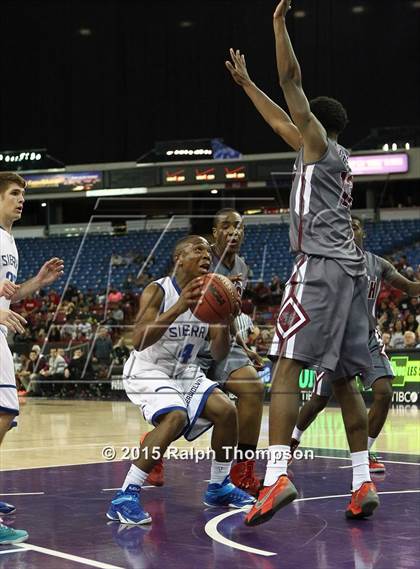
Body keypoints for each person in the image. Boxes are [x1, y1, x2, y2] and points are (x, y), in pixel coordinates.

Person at [231, 0, 379, 526]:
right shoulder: (320, 154)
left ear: (315, 122)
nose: (294, 123)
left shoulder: (318, 143)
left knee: (287, 368)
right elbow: (278, 120)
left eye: (302, 117)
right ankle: (362, 482)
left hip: (318, 266)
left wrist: (277, 26)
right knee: (342, 381)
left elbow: (291, 83)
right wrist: (248, 86)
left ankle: (275, 478)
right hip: (352, 274)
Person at [107, 235, 254, 524]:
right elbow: (138, 340)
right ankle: (124, 496)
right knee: (174, 416)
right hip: (148, 368)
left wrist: (225, 320)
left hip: (184, 371)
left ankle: (218, 486)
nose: (206, 255)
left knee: (226, 411)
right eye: (197, 249)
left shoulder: (212, 296)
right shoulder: (158, 290)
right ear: (179, 258)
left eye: (208, 252)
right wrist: (178, 308)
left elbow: (219, 352)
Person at [143, 211, 265, 495]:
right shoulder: (200, 259)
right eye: (226, 226)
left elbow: (227, 314)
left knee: (253, 389)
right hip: (191, 345)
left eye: (238, 226)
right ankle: (151, 445)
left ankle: (242, 470)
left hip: (222, 341)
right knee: (181, 416)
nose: (233, 231)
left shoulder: (243, 267)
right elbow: (176, 292)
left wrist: (246, 347)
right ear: (214, 232)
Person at [288, 217, 420, 474]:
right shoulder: (329, 262)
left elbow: (409, 288)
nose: (350, 230)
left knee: (384, 392)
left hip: (368, 337)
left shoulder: (378, 264)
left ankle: (366, 451)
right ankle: (293, 440)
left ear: (364, 233)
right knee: (318, 400)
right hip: (335, 340)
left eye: (355, 227)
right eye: (345, 227)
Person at [0, 171, 64, 543]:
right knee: (5, 415)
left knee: (5, 418)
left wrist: (36, 283)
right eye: (13, 193)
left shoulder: (10, 240)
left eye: (23, 193)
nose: (21, 198)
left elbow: (10, 295)